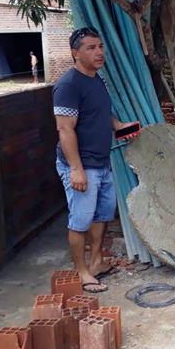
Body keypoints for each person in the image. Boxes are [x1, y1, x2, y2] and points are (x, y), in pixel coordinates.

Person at [53, 27, 140, 293]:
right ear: (75, 53)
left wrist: (122, 127)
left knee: (101, 215)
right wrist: (76, 170)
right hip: (81, 166)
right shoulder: (68, 86)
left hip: (102, 162)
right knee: (80, 220)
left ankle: (96, 262)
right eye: (91, 48)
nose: (99, 52)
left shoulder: (97, 80)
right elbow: (65, 129)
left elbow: (103, 116)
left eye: (100, 46)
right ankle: (81, 272)